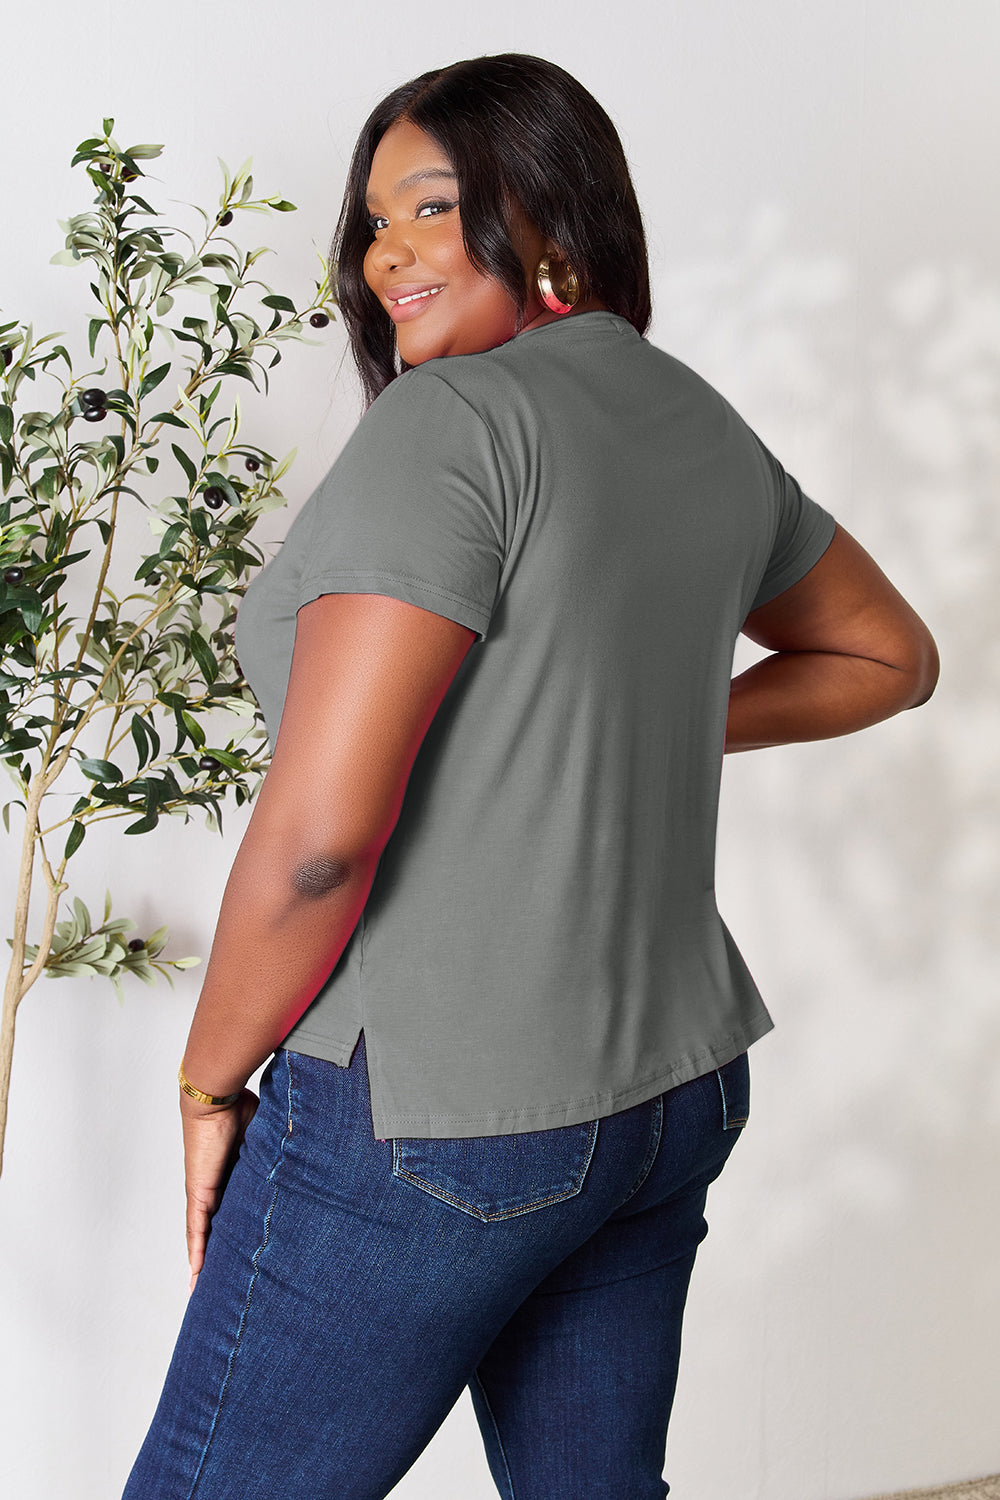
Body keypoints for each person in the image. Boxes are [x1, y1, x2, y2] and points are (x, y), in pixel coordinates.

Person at [122, 52, 939, 1500]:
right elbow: (887, 654)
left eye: (430, 208)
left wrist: (208, 1082)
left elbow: (320, 843)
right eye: (374, 223)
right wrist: (625, 721)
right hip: (669, 1095)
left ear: (548, 216)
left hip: (438, 1122)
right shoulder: (689, 416)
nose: (387, 256)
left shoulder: (451, 430)